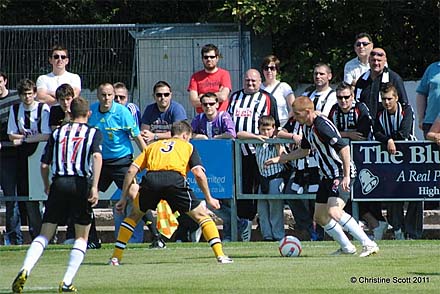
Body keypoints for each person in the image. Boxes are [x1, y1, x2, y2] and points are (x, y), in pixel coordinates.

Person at [266, 96, 379, 257]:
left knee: (334, 211)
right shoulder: (306, 126)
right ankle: (347, 247)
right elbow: (304, 150)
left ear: (308, 111)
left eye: (297, 114)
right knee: (320, 216)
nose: (295, 118)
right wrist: (280, 158)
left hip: (339, 173)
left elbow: (344, 148)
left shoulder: (322, 125)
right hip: (327, 175)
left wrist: (346, 176)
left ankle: (368, 243)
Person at [11, 97, 103, 293]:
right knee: (81, 236)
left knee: (45, 233)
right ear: (89, 114)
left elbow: (44, 165)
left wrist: (47, 185)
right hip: (80, 184)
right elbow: (96, 156)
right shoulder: (93, 132)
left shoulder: (58, 133)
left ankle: (25, 268)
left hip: (59, 182)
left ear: (69, 114)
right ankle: (67, 281)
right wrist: (94, 186)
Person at [109, 120, 233, 265]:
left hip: (151, 180)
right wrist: (209, 197)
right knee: (202, 216)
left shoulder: (152, 146)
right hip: (175, 179)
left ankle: (115, 258)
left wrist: (123, 199)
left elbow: (131, 170)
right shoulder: (188, 146)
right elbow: (198, 173)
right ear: (186, 135)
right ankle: (220, 255)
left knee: (134, 216)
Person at [88, 82, 147, 248]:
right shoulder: (92, 112)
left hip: (122, 162)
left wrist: (149, 158)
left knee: (136, 196)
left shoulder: (122, 112)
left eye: (109, 95)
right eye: (103, 95)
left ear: (113, 96)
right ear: (98, 96)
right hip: (103, 164)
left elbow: (137, 136)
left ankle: (157, 237)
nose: (106, 98)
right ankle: (93, 239)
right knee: (86, 197)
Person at [328, 82, 388, 240]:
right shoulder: (334, 110)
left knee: (364, 192)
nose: (343, 101)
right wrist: (347, 134)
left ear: (352, 96)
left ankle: (376, 223)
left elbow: (362, 133)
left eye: (346, 97)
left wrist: (340, 134)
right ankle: (369, 224)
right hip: (340, 159)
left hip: (363, 158)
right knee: (345, 194)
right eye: (340, 97)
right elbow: (328, 133)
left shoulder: (360, 108)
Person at [227, 68, 280, 241]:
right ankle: (243, 229)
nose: (250, 83)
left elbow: (275, 126)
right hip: (237, 153)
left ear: (260, 81)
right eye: (247, 80)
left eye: (254, 81)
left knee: (262, 192)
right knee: (240, 191)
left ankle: (266, 231)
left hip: (260, 154)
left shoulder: (267, 98)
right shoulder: (234, 97)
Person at [140, 80, 187, 247]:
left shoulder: (177, 109)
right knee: (137, 200)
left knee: (181, 204)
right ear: (154, 96)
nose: (162, 98)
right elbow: (144, 133)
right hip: (154, 161)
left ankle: (167, 236)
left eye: (166, 94)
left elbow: (178, 134)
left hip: (172, 162)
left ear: (171, 95)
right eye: (159, 95)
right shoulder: (149, 110)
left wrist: (156, 137)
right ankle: (156, 236)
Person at [373, 83, 423, 240]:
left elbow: (404, 132)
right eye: (383, 99)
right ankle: (398, 230)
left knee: (415, 194)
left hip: (410, 158)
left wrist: (390, 139)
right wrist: (388, 140)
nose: (386, 102)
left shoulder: (406, 110)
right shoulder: (380, 114)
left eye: (389, 99)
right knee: (393, 194)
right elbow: (376, 132)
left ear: (396, 98)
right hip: (390, 160)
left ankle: (413, 232)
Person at [8, 79, 52, 240]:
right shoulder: (15, 109)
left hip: (41, 154)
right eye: (24, 94)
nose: (27, 97)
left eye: (30, 93)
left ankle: (49, 233)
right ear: (20, 96)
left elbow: (46, 135)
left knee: (45, 193)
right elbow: (12, 135)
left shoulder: (43, 108)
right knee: (28, 196)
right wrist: (27, 138)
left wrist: (25, 139)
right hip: (22, 157)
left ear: (34, 94)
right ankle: (37, 234)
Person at [191, 92, 236, 241]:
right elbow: (189, 134)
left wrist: (214, 139)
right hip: (206, 167)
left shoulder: (224, 117)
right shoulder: (199, 118)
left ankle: (231, 232)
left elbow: (231, 134)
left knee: (228, 199)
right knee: (203, 199)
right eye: (205, 104)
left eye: (211, 104)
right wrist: (200, 137)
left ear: (217, 104)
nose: (208, 107)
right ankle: (194, 238)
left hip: (225, 167)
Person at [238, 115, 286, 241]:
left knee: (275, 209)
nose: (266, 132)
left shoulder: (276, 140)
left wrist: (275, 142)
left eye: (269, 129)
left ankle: (278, 236)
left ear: (273, 128)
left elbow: (282, 155)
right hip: (262, 178)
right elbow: (240, 134)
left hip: (275, 177)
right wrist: (257, 137)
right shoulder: (258, 141)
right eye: (263, 130)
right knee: (262, 209)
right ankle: (267, 236)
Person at [112, 82, 144, 243]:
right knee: (118, 202)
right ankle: (120, 239)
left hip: (129, 163)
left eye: (121, 97)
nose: (118, 100)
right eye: (115, 97)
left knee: (134, 200)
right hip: (111, 165)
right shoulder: (106, 113)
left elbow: (135, 134)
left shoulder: (129, 110)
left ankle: (135, 239)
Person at [355, 48, 409, 122]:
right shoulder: (362, 81)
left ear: (385, 61)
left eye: (379, 60)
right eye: (373, 60)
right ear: (369, 61)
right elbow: (356, 102)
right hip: (365, 125)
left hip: (386, 125)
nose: (376, 63)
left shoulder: (394, 79)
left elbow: (404, 104)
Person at [0, 71, 22, 245]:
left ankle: (14, 239)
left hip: (9, 155)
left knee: (11, 198)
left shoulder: (16, 100)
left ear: (5, 81)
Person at [416, 61, 440, 210]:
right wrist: (421, 117)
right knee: (432, 166)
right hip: (431, 122)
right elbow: (421, 93)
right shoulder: (432, 68)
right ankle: (432, 206)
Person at [188, 44, 232, 114]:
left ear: (217, 58)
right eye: (206, 57)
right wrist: (217, 95)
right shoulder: (195, 77)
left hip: (220, 117)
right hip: (202, 119)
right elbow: (194, 102)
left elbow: (223, 97)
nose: (209, 59)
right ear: (202, 59)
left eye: (212, 57)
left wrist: (202, 96)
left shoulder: (224, 74)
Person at [260, 55, 295, 126]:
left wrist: (286, 125)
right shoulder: (258, 87)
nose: (269, 71)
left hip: (281, 127)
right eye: (266, 68)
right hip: (264, 128)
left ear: (277, 70)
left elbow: (294, 108)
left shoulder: (284, 87)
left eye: (272, 68)